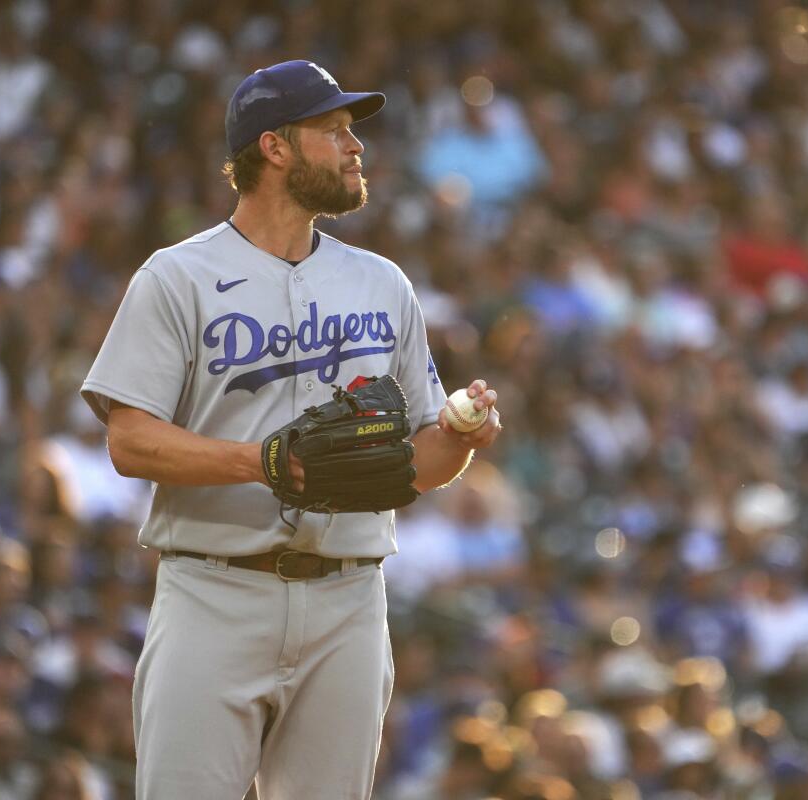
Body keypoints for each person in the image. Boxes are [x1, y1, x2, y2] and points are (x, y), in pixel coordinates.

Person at [79, 60, 502, 799]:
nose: (354, 146)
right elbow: (130, 440)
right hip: (214, 590)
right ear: (273, 148)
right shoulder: (176, 277)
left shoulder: (383, 284)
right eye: (333, 130)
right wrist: (261, 461)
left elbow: (418, 465)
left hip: (349, 601)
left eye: (352, 132)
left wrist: (458, 439)